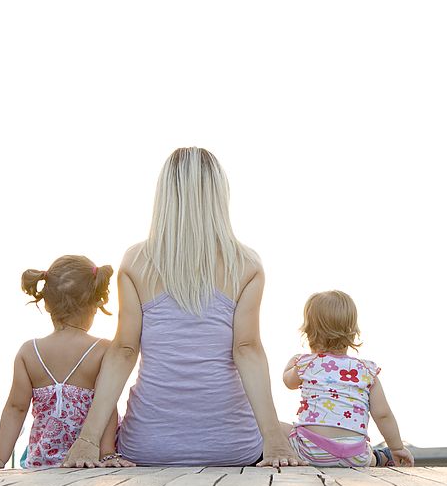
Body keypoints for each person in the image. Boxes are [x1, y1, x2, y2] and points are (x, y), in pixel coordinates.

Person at [61, 147, 303, 468]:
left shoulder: (136, 262)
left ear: (165, 196)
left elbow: (123, 351)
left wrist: (87, 441)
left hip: (147, 445)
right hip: (233, 447)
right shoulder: (247, 265)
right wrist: (274, 442)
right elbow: (247, 350)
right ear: (219, 195)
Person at [0, 256, 121, 469]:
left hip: (40, 464)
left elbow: (16, 408)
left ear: (46, 304)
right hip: (86, 463)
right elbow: (107, 405)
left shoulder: (29, 352)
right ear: (95, 303)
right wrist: (108, 454)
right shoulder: (103, 350)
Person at [282, 290, 414, 467]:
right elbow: (382, 414)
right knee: (366, 454)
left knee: (274, 427)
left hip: (311, 451)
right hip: (356, 455)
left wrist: (293, 364)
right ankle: (380, 457)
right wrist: (397, 447)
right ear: (352, 331)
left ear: (308, 331)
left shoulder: (305, 364)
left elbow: (288, 382)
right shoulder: (366, 370)